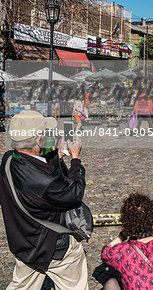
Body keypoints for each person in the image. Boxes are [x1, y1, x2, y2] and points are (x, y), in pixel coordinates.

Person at [0, 109, 89, 289]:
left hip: (24, 242)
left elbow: (35, 167)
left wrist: (55, 156)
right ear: (38, 139)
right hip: (51, 246)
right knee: (76, 284)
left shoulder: (8, 159)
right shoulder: (46, 182)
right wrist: (76, 159)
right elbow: (74, 193)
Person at [100, 192, 153, 290]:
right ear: (152, 219)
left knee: (110, 283)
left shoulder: (122, 251)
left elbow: (105, 253)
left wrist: (122, 235)